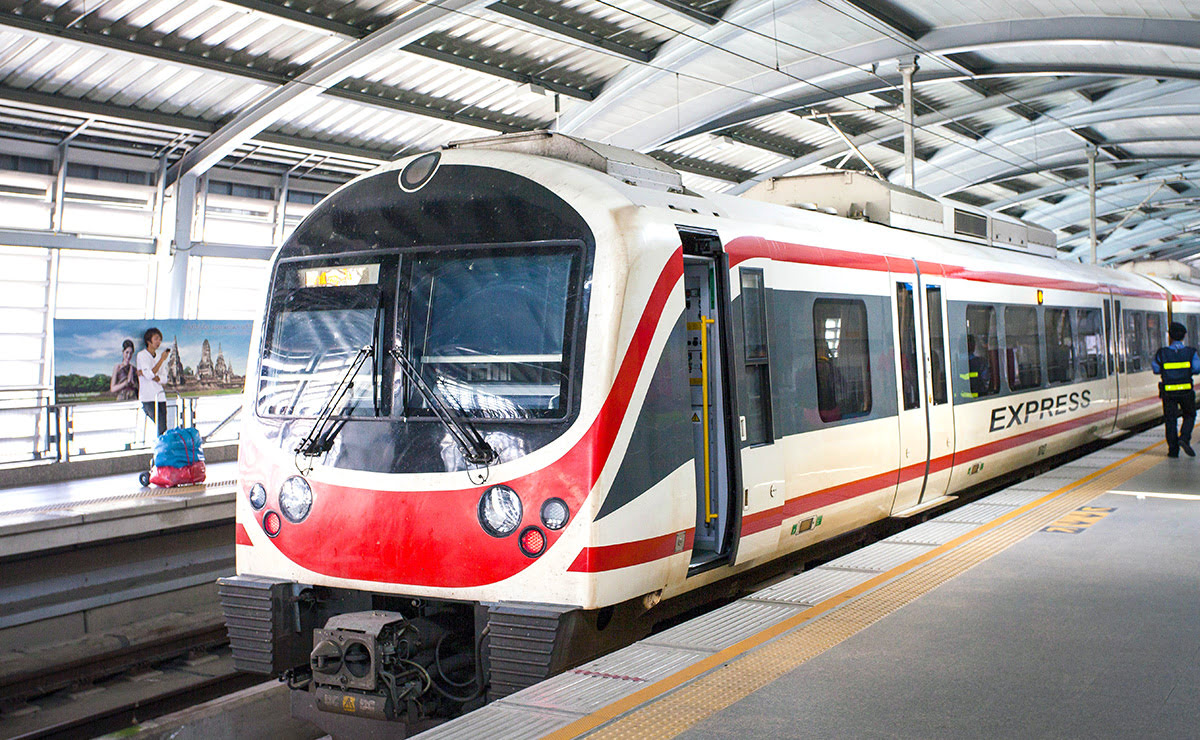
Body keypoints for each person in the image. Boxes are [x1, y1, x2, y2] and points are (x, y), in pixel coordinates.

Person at [1151, 321, 1200, 458]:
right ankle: (1184, 438)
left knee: (1170, 420)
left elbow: (1156, 369)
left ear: (1170, 336)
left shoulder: (1162, 353)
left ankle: (1173, 450)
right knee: (1190, 415)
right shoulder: (1191, 352)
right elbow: (1197, 369)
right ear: (1184, 336)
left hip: (1168, 393)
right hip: (1186, 392)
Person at [136, 327, 171, 437]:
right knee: (159, 425)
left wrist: (156, 377)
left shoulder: (159, 356)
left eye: (160, 339)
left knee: (164, 427)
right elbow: (149, 375)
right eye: (156, 339)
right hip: (148, 397)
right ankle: (161, 448)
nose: (158, 342)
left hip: (160, 396)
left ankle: (164, 448)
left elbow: (164, 378)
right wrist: (161, 361)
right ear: (148, 341)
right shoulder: (142, 355)